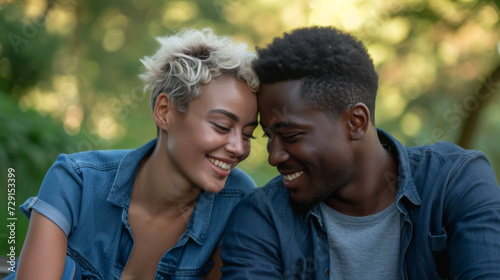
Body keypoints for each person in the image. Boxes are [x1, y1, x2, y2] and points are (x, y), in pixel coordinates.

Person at [220, 26, 500, 279]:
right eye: (269, 137)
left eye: (291, 136)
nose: (274, 157)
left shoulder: (455, 182)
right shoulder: (261, 217)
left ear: (356, 122)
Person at [11, 28, 260, 280]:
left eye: (248, 135)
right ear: (164, 112)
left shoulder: (237, 200)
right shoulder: (76, 182)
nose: (239, 148)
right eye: (222, 127)